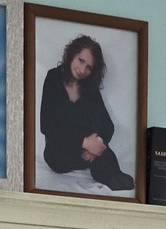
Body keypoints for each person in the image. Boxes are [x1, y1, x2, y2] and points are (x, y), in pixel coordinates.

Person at [38, 35, 134, 191]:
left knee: (107, 159)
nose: (82, 70)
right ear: (72, 54)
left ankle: (104, 169)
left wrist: (96, 146)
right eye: (81, 60)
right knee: (103, 158)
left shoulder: (89, 86)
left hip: (84, 153)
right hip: (58, 154)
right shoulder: (53, 77)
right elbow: (47, 125)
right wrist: (85, 143)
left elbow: (108, 125)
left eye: (89, 67)